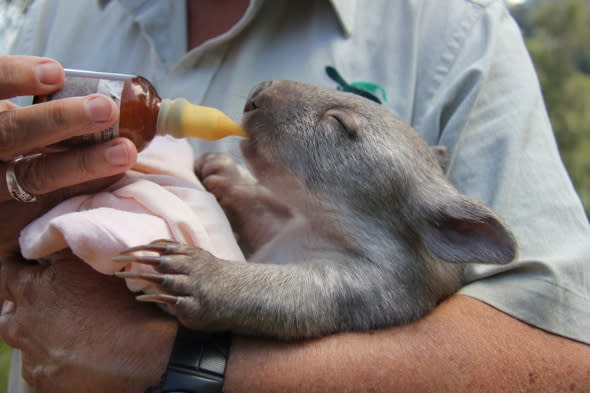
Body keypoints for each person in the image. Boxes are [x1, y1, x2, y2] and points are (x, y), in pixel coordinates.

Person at [0, 0, 589, 392]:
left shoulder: (459, 33)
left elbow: (567, 357)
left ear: (452, 227)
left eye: (338, 127)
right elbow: (288, 236)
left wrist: (159, 352)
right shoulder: (52, 15)